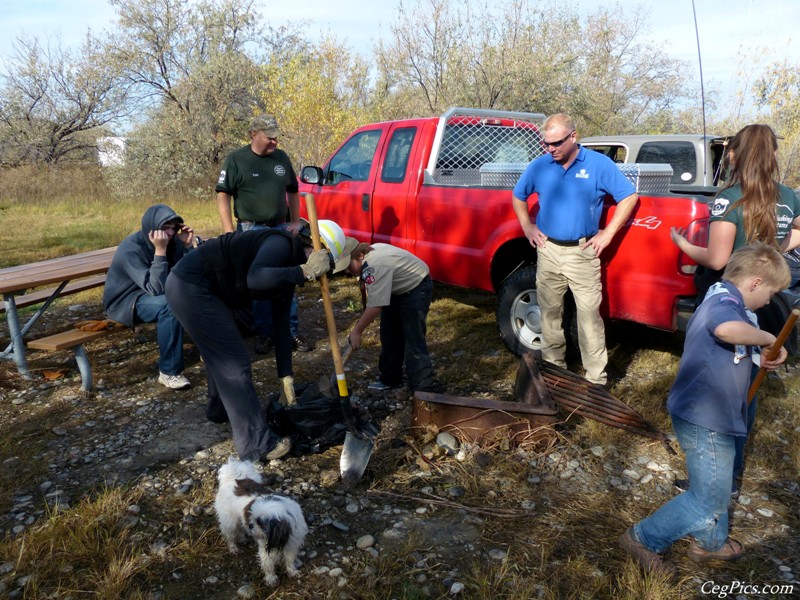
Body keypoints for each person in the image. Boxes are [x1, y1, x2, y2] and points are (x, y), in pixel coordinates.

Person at [619, 242, 790, 575]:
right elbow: (724, 330)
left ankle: (710, 541)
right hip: (705, 418)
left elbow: (733, 345)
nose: (770, 300)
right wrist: (768, 337)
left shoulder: (727, 298)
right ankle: (642, 538)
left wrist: (760, 356)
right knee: (707, 498)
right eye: (770, 293)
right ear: (755, 283)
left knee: (717, 483)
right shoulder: (724, 303)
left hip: (714, 415)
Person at [670, 123, 800, 495]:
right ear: (772, 155)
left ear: (734, 155)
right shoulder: (788, 195)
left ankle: (712, 478)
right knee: (748, 386)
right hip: (766, 300)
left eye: (729, 151)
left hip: (730, 299)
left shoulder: (730, 198)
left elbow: (718, 257)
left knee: (711, 389)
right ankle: (731, 473)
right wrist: (778, 248)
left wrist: (681, 242)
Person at [165, 220, 346, 462]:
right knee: (235, 364)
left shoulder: (288, 267)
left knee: (221, 354)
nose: (322, 269)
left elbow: (280, 325)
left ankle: (219, 410)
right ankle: (257, 445)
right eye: (324, 260)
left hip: (206, 292)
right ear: (315, 246)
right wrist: (303, 271)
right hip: (191, 287)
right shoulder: (280, 243)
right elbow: (256, 278)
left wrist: (286, 376)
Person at [512, 114, 637, 385]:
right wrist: (528, 227)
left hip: (583, 253)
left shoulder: (598, 164)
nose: (550, 149)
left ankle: (596, 381)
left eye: (556, 143)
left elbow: (629, 196)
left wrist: (608, 233)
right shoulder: (540, 166)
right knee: (549, 313)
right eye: (545, 143)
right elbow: (519, 194)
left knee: (589, 317)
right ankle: (554, 373)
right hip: (548, 251)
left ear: (573, 137)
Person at [215, 114, 314, 355]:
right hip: (251, 230)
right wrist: (229, 230)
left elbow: (293, 190)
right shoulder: (236, 160)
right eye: (269, 138)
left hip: (279, 228)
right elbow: (222, 195)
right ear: (253, 134)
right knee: (259, 283)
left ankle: (290, 331)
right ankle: (266, 333)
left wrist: (293, 221)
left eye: (276, 138)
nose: (274, 143)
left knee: (285, 277)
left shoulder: (281, 159)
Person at [103, 204, 194, 390]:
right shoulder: (132, 249)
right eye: (165, 228)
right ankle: (169, 372)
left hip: (152, 294)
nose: (169, 233)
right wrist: (160, 251)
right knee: (170, 305)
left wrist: (187, 247)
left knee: (197, 293)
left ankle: (211, 351)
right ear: (151, 229)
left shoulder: (174, 241)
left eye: (173, 228)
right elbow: (156, 289)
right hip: (126, 301)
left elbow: (189, 275)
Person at [343, 242, 443, 394]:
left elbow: (375, 306)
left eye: (349, 266)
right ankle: (390, 378)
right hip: (395, 289)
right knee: (389, 334)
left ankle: (423, 387)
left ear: (360, 256)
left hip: (416, 287)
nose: (347, 270)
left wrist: (357, 331)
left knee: (413, 337)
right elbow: (374, 299)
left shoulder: (376, 265)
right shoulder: (368, 261)